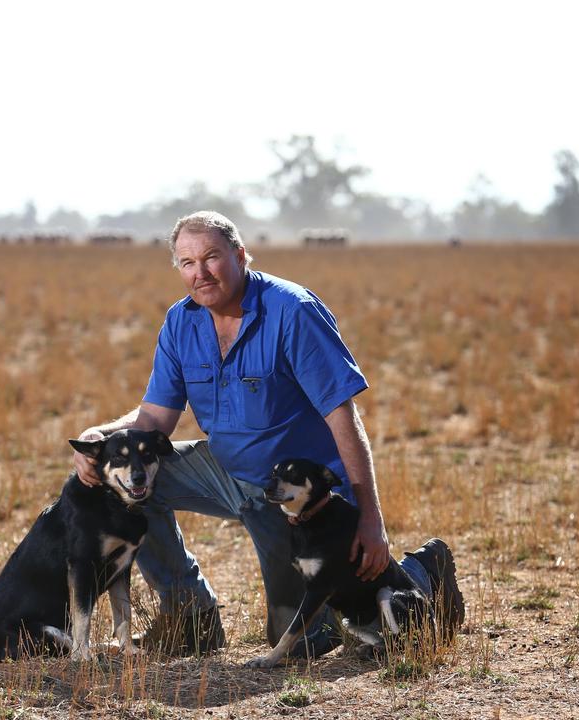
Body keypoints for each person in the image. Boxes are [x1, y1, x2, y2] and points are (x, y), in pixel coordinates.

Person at [72, 210, 450, 657]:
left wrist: (370, 518)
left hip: (295, 493)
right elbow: (156, 419)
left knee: (304, 641)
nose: (201, 272)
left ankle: (424, 572)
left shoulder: (292, 311)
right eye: (187, 263)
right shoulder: (180, 322)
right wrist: (102, 434)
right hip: (224, 467)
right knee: (126, 483)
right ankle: (192, 618)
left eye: (212, 257)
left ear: (241, 255)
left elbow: (343, 417)